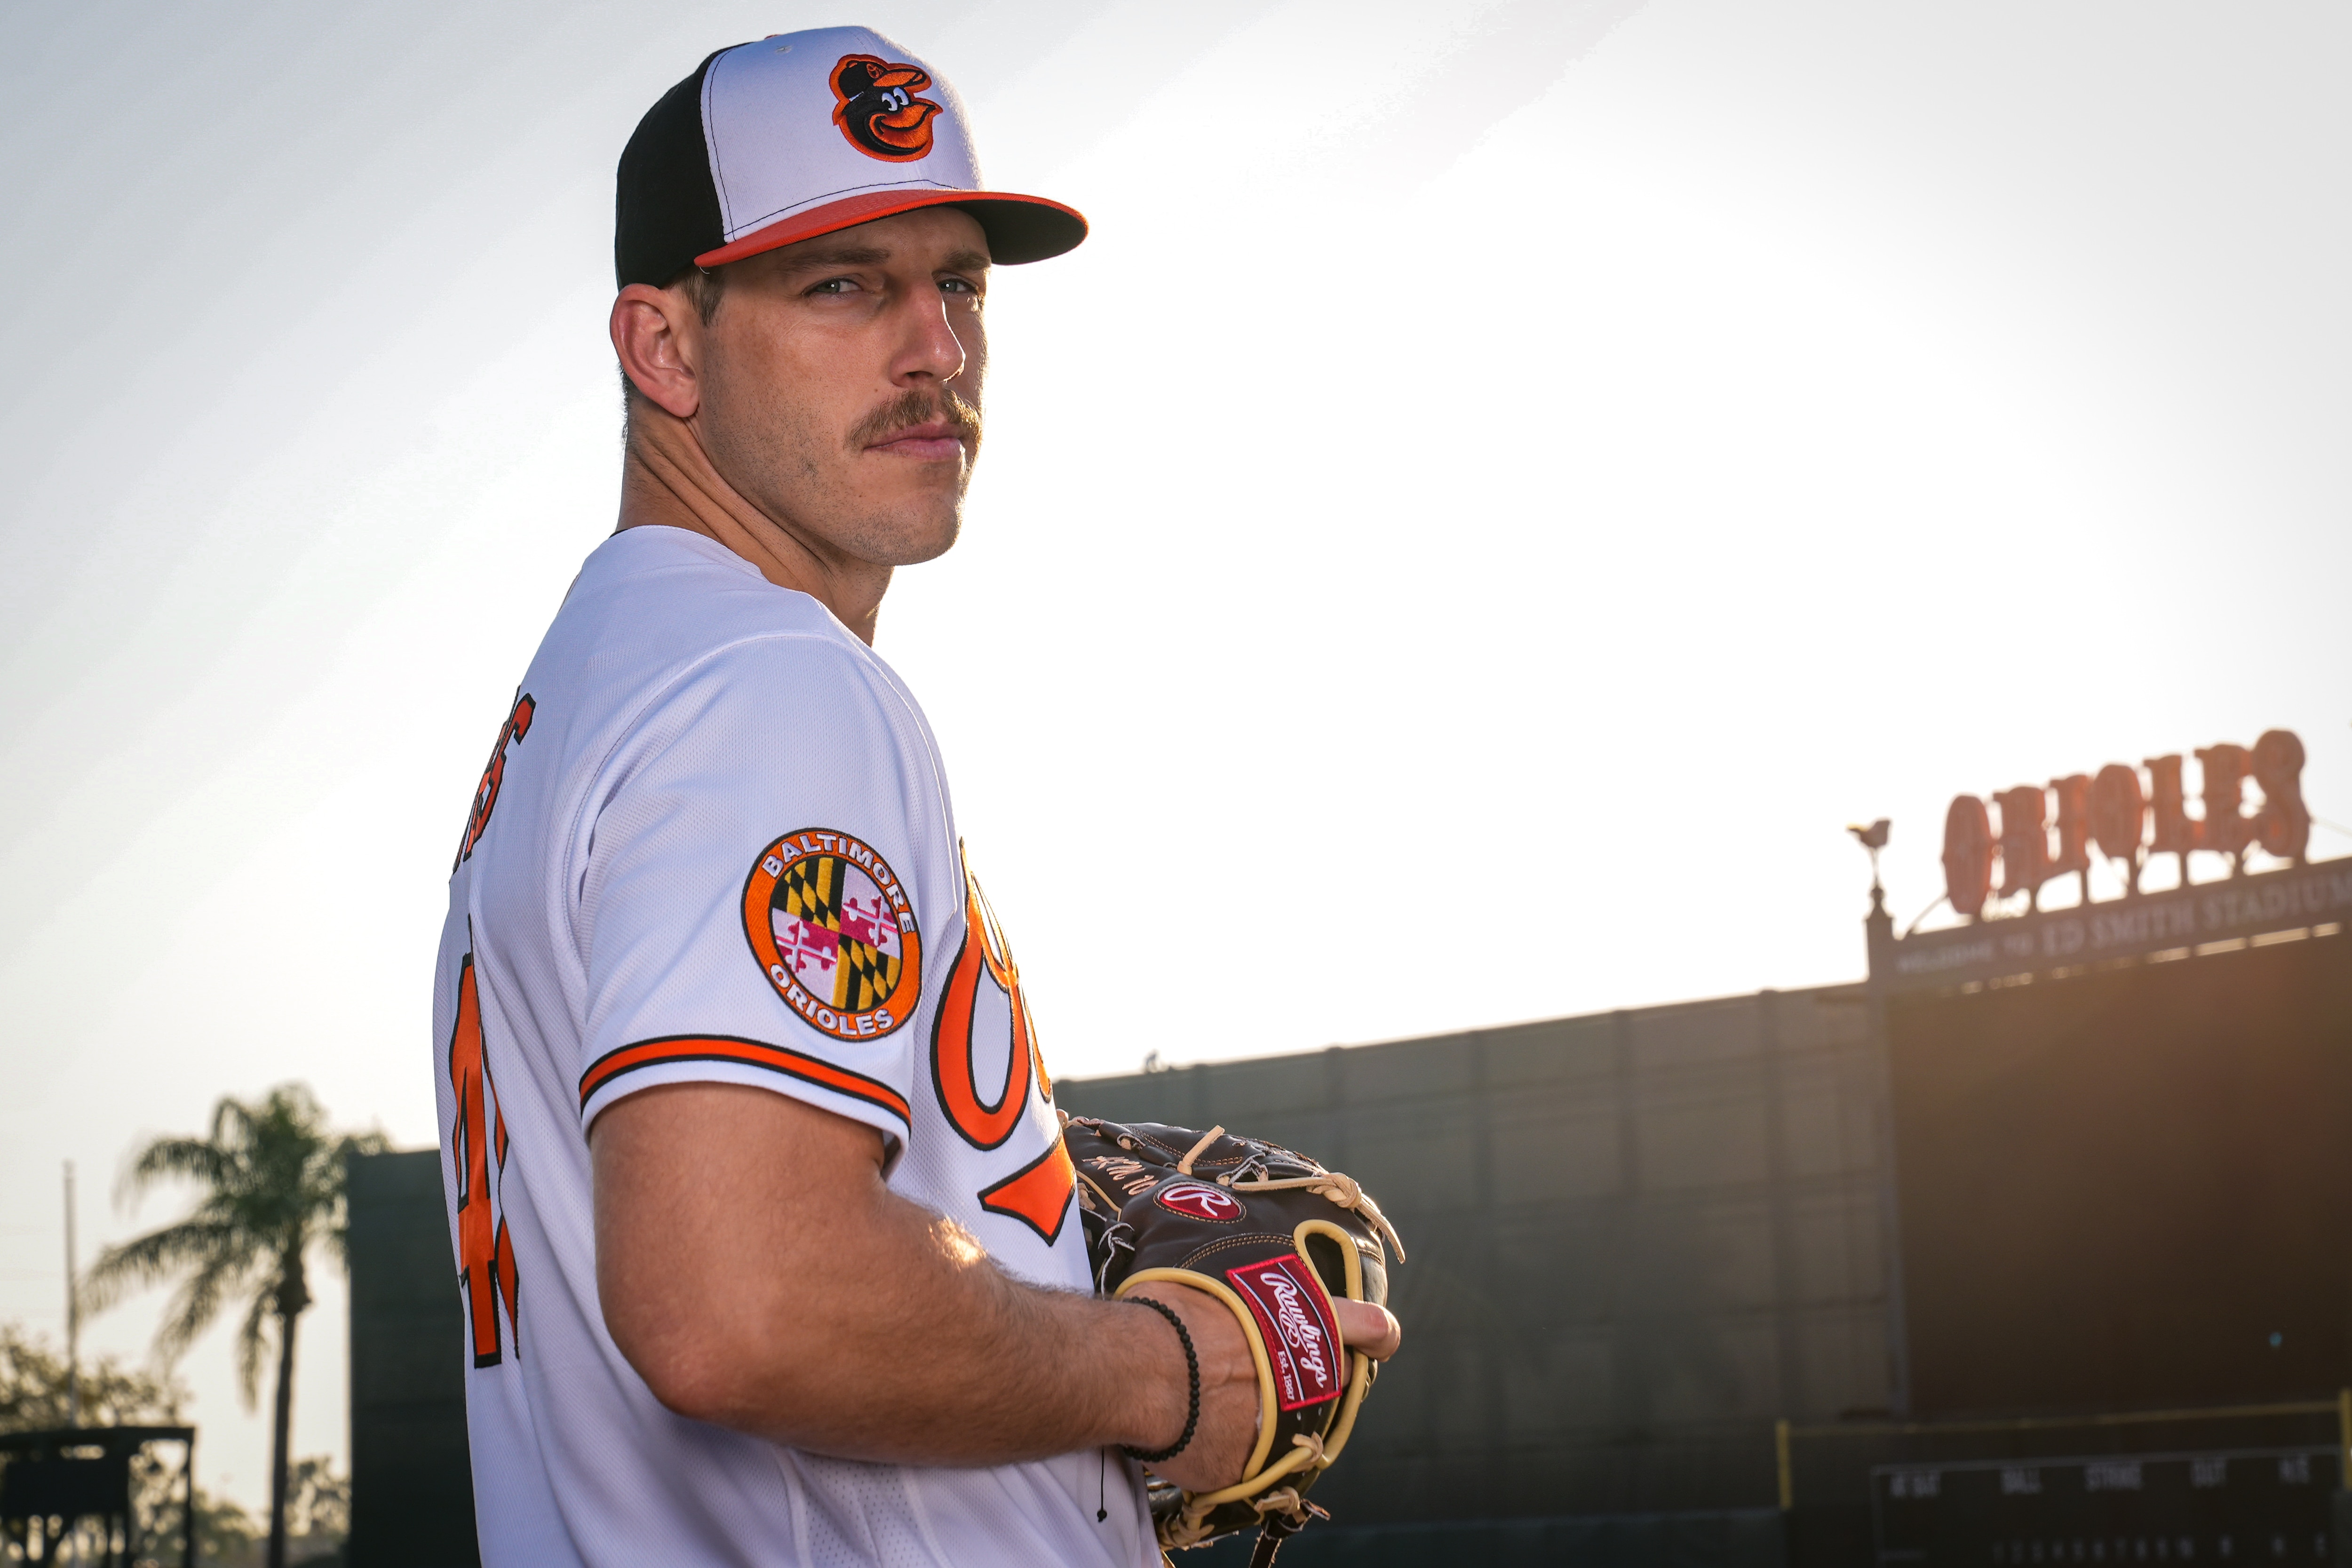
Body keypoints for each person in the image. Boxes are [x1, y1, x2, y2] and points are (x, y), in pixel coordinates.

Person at [430, 26, 1401, 1568]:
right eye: (843, 284)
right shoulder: (771, 684)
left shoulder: (595, 693)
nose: (935, 349)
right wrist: (1161, 1376)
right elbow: (739, 1303)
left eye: (959, 284)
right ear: (664, 347)